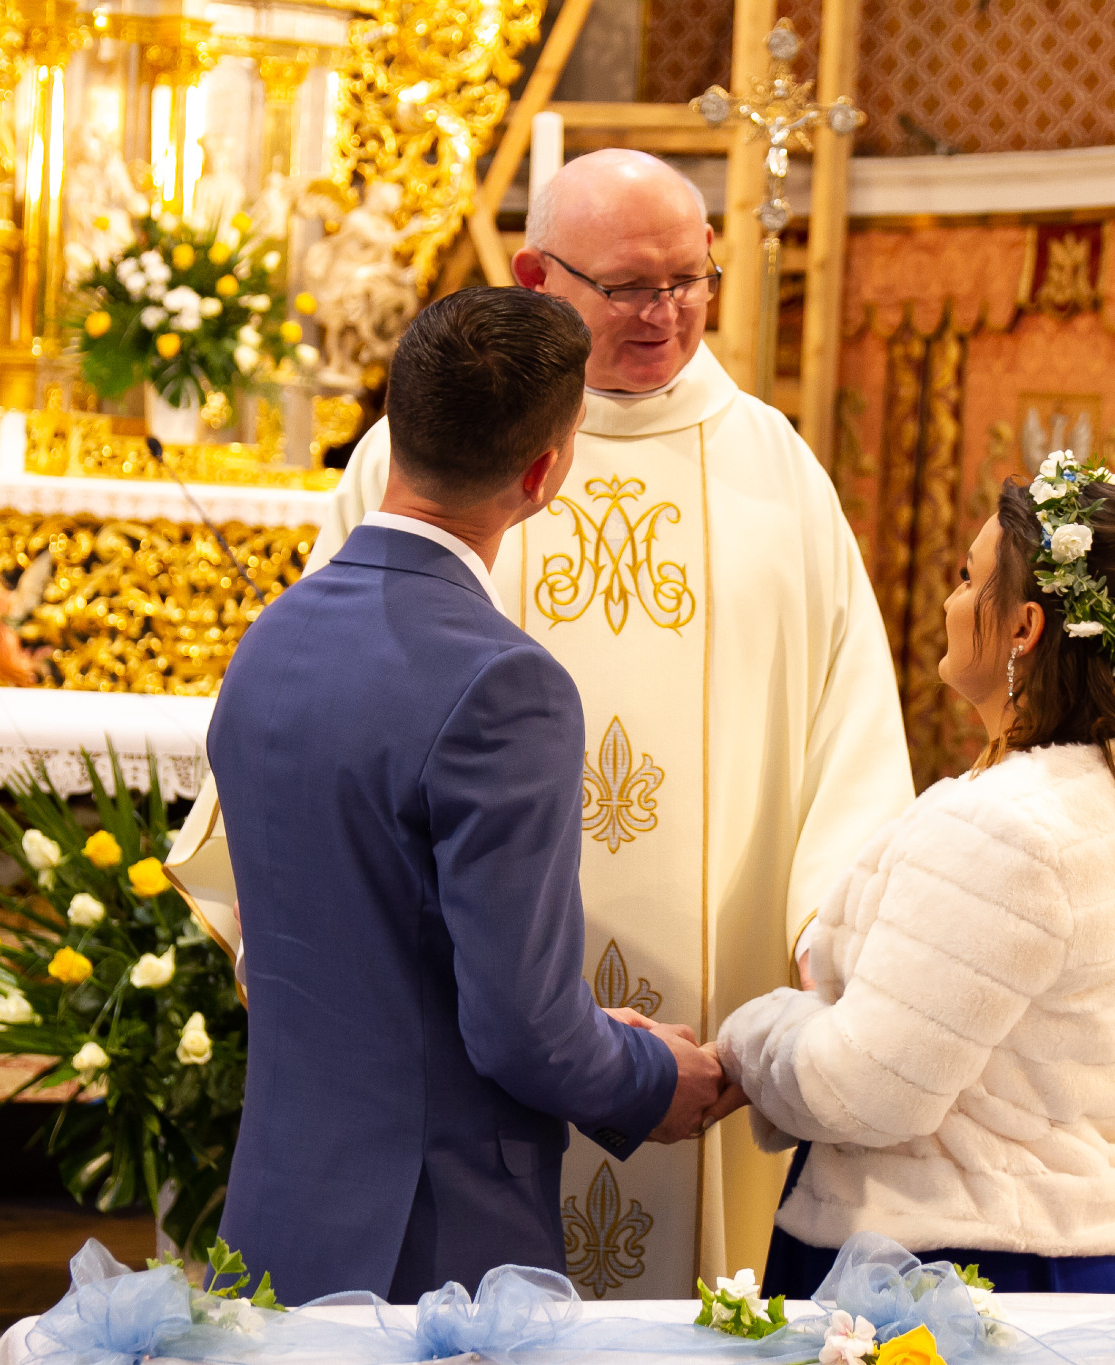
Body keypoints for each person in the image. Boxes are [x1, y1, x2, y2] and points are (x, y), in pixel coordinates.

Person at [298, 148, 916, 1288]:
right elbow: (331, 689)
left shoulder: (774, 468)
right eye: (630, 286)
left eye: (691, 279)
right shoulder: (423, 450)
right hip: (458, 1035)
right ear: (537, 275)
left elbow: (849, 729)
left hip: (712, 1008)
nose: (667, 314)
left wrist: (833, 921)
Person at [208, 288, 729, 1303]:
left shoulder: (270, 637)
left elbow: (361, 954)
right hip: (432, 1239)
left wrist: (591, 1030)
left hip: (276, 1212)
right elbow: (517, 1029)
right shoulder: (504, 684)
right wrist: (654, 1077)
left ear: (395, 426)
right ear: (542, 474)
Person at [718, 451, 1115, 1298]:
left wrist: (751, 1037)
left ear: (1024, 629)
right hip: (1066, 1255)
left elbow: (862, 1089)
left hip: (950, 1274)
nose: (948, 602)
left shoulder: (1002, 828)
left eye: (969, 581)